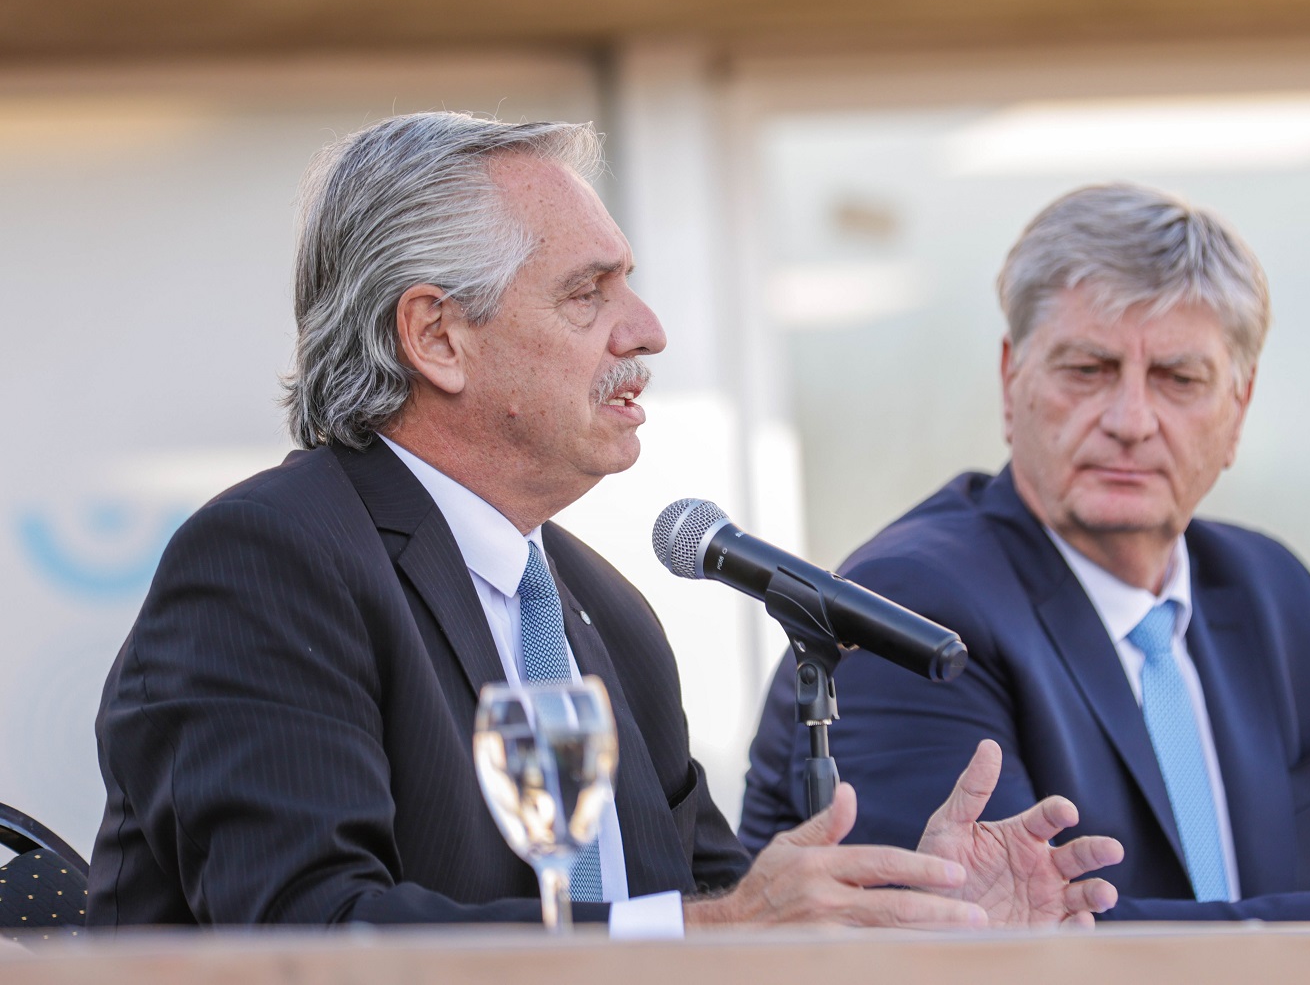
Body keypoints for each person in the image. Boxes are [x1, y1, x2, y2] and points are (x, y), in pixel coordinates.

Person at [89, 112, 1121, 931]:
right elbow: (310, 933)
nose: (647, 330)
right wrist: (715, 934)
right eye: (589, 293)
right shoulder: (270, 561)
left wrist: (908, 917)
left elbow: (721, 908)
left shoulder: (602, 610)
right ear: (437, 336)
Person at [739, 183, 1310, 925]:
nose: (1130, 421)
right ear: (1012, 382)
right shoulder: (914, 603)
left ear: (1238, 409)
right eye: (1086, 370)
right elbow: (998, 941)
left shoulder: (1269, 594)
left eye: (1178, 379)